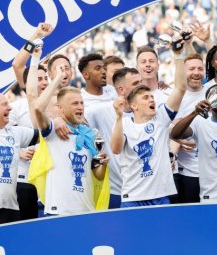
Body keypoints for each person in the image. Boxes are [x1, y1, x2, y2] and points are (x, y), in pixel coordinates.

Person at [110, 41, 186, 207]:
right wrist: (117, 117)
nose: (151, 99)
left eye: (151, 97)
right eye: (145, 98)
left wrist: (179, 56)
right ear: (134, 106)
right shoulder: (123, 123)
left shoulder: (161, 119)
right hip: (133, 197)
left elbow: (180, 88)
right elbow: (115, 149)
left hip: (161, 195)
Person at [29, 63, 109, 216]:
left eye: (81, 103)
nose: (80, 107)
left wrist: (102, 164)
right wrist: (58, 78)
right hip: (59, 210)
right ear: (60, 108)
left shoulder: (90, 134)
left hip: (87, 210)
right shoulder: (53, 131)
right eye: (74, 103)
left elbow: (97, 175)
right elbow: (38, 108)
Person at [170, 84, 217, 202]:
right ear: (209, 104)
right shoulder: (200, 123)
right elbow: (175, 134)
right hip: (211, 197)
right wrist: (194, 113)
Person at [86, 67, 142, 209]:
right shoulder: (101, 110)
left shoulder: (149, 110)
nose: (141, 87)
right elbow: (75, 122)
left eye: (141, 82)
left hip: (146, 191)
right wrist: (59, 120)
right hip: (116, 192)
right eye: (136, 84)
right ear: (121, 90)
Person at [7, 65, 49, 220]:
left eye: (45, 78)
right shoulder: (15, 108)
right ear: (27, 83)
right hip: (24, 179)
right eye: (38, 79)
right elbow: (3, 136)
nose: (44, 82)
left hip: (50, 178)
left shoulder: (55, 106)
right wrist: (19, 152)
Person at [0, 93, 39, 223]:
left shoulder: (14, 133)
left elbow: (45, 133)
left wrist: (58, 120)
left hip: (11, 209)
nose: (10, 108)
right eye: (4, 104)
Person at [174, 54, 206, 204]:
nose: (196, 72)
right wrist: (178, 139)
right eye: (191, 68)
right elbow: (166, 128)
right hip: (187, 172)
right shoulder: (176, 98)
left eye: (200, 68)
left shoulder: (212, 93)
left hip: (212, 171)